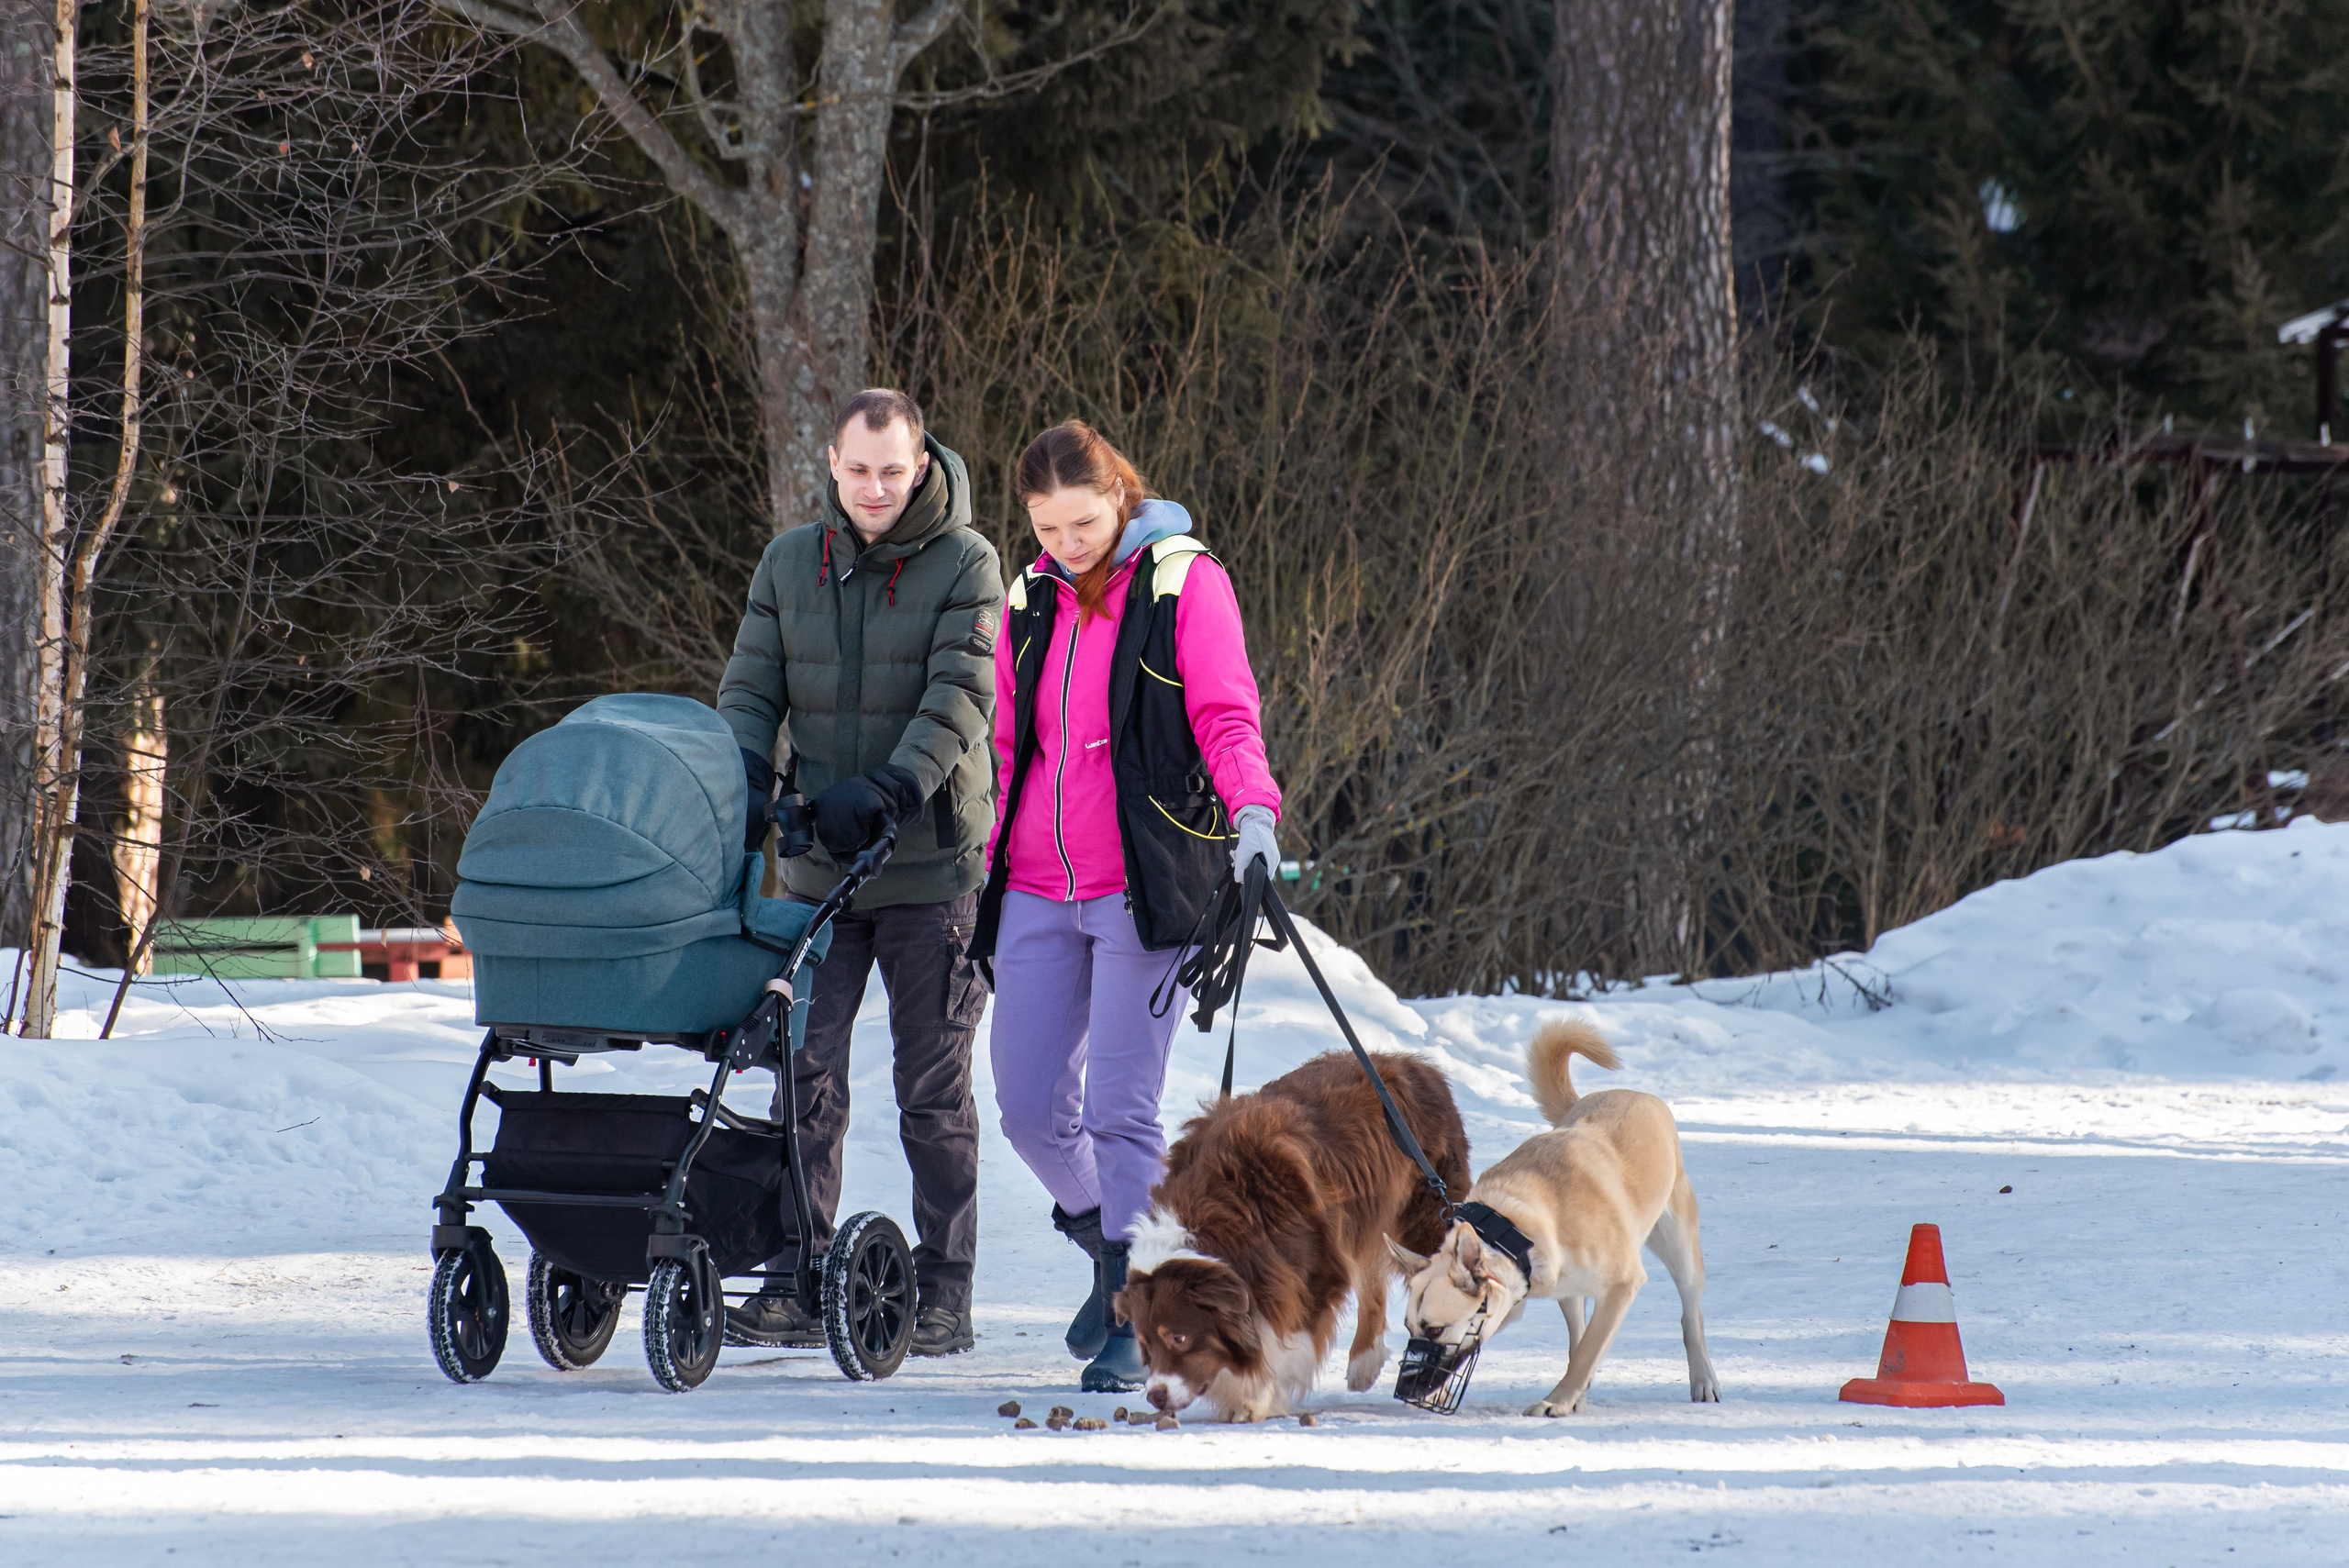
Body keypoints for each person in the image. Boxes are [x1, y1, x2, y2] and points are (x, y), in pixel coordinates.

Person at [972, 419, 1283, 1392]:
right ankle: (1112, 1250)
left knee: (1120, 1107)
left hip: (1143, 884)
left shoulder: (1184, 582)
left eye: (1084, 521)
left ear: (1120, 495)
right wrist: (984, 860)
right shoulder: (1028, 597)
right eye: (1047, 526)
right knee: (1028, 1106)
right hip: (1035, 881)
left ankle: (1138, 1296)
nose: (1068, 542)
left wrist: (1254, 814)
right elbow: (1007, 747)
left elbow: (1224, 715)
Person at [717, 389, 1004, 1357]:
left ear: (920, 465)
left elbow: (960, 694)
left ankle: (945, 1289)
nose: (875, 488)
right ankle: (798, 1274)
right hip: (817, 870)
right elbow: (751, 684)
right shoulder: (789, 562)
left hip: (930, 868)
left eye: (892, 470)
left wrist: (892, 787)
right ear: (832, 466)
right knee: (802, 1072)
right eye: (857, 470)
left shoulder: (967, 561)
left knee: (932, 1088)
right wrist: (741, 775)